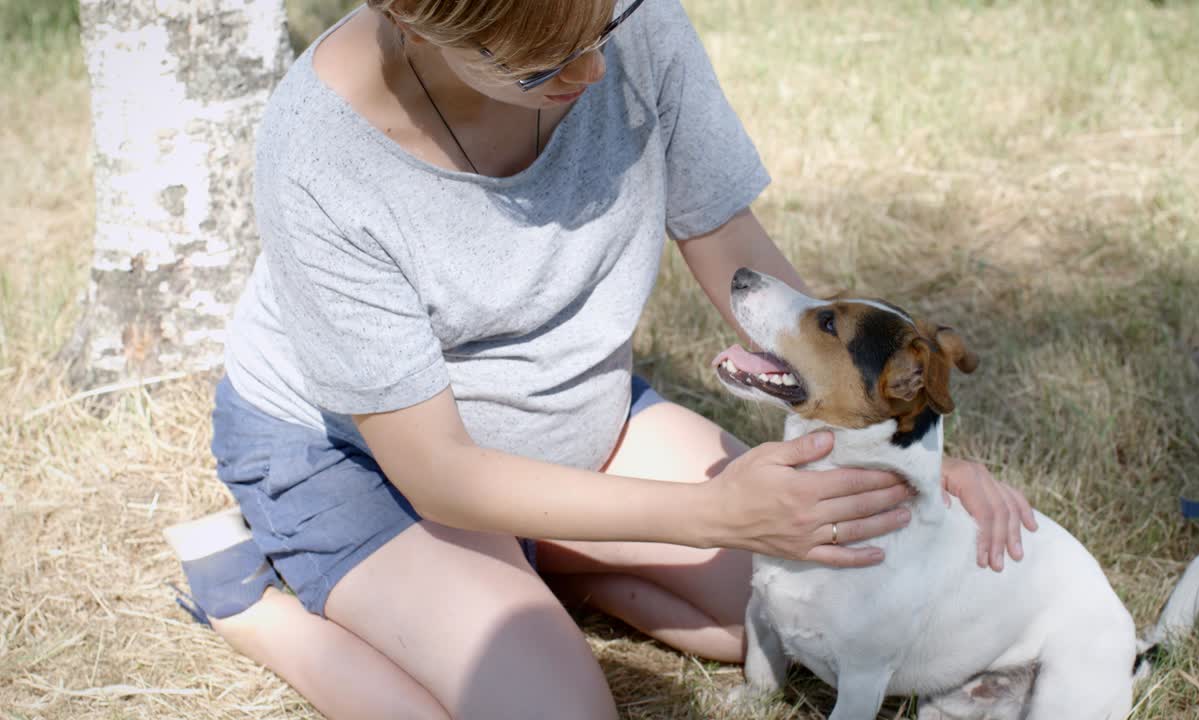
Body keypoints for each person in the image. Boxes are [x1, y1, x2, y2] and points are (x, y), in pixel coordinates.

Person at [165, 1, 1038, 717]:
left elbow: (726, 239)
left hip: (576, 416)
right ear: (413, 20)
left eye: (604, 33)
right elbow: (434, 470)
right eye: (542, 68)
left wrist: (898, 448)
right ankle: (247, 605)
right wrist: (714, 519)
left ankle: (540, 558)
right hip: (366, 466)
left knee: (804, 615)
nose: (593, 76)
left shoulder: (628, 16)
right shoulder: (320, 155)